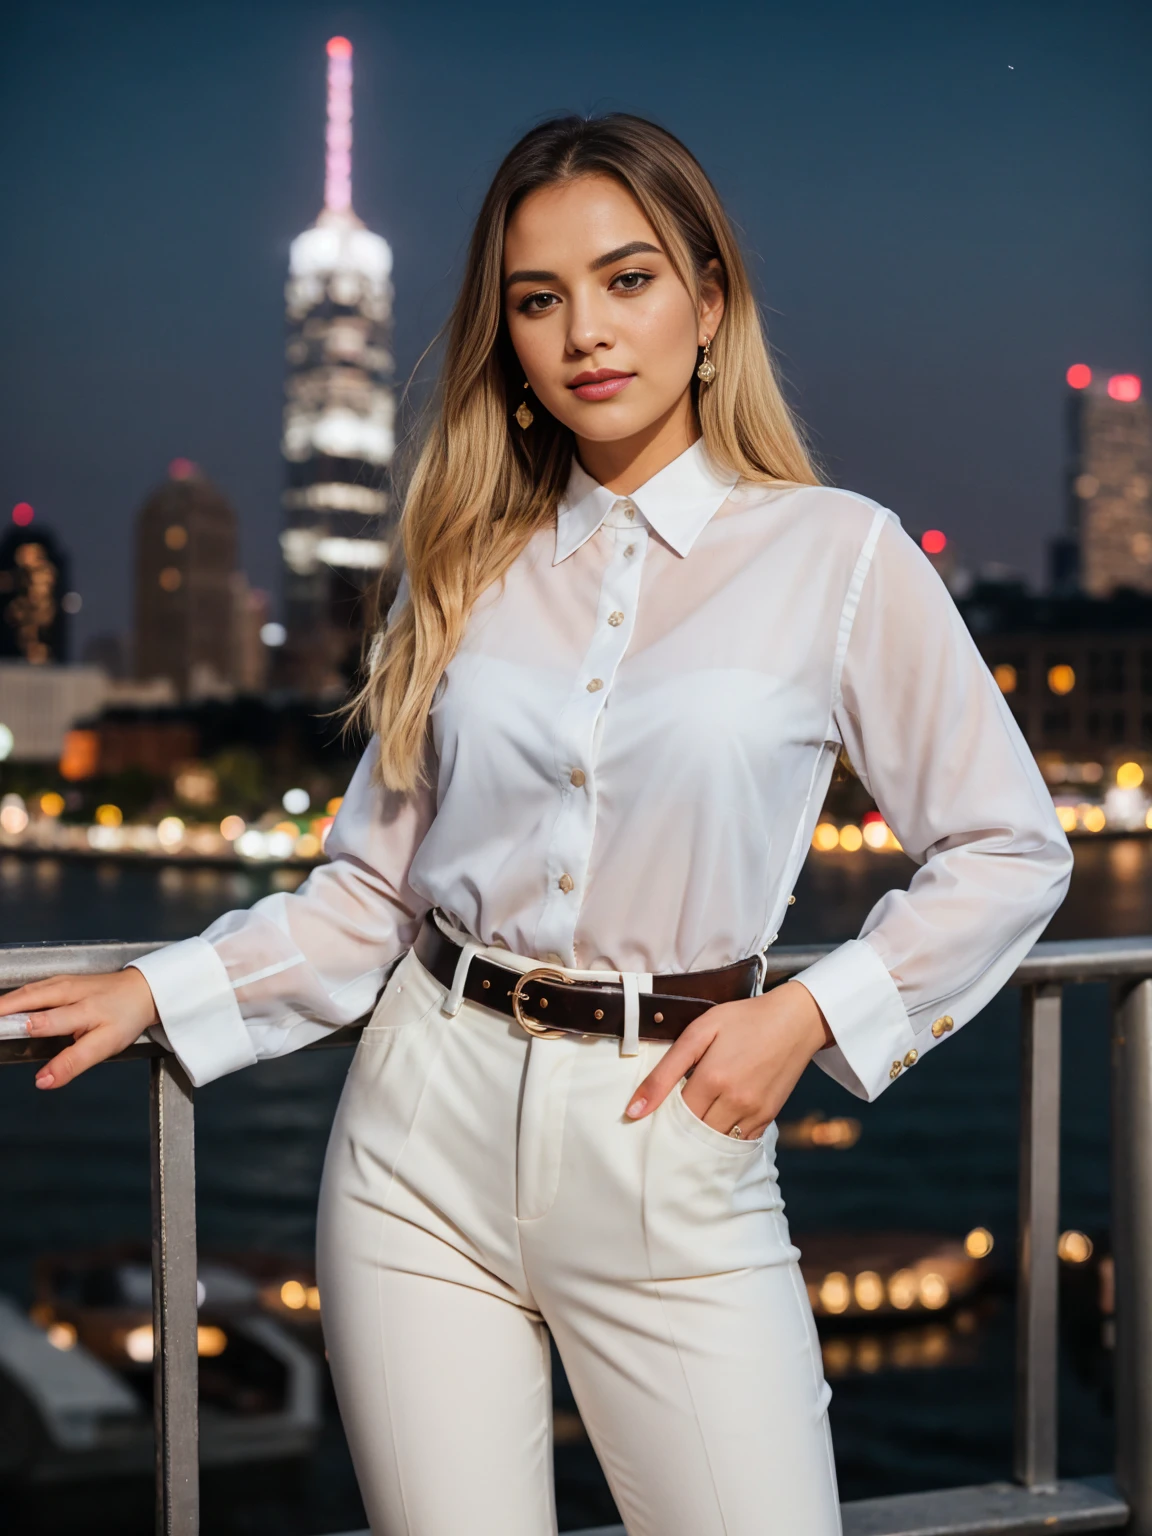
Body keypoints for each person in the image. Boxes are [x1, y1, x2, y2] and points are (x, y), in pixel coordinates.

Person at [2, 114, 1072, 1535]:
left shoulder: (842, 556)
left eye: (627, 281)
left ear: (709, 300)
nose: (586, 332)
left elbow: (1009, 845)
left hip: (671, 1138)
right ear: (505, 335)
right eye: (538, 298)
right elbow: (369, 898)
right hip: (414, 1147)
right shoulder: (460, 566)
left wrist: (807, 1017)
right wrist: (164, 984)